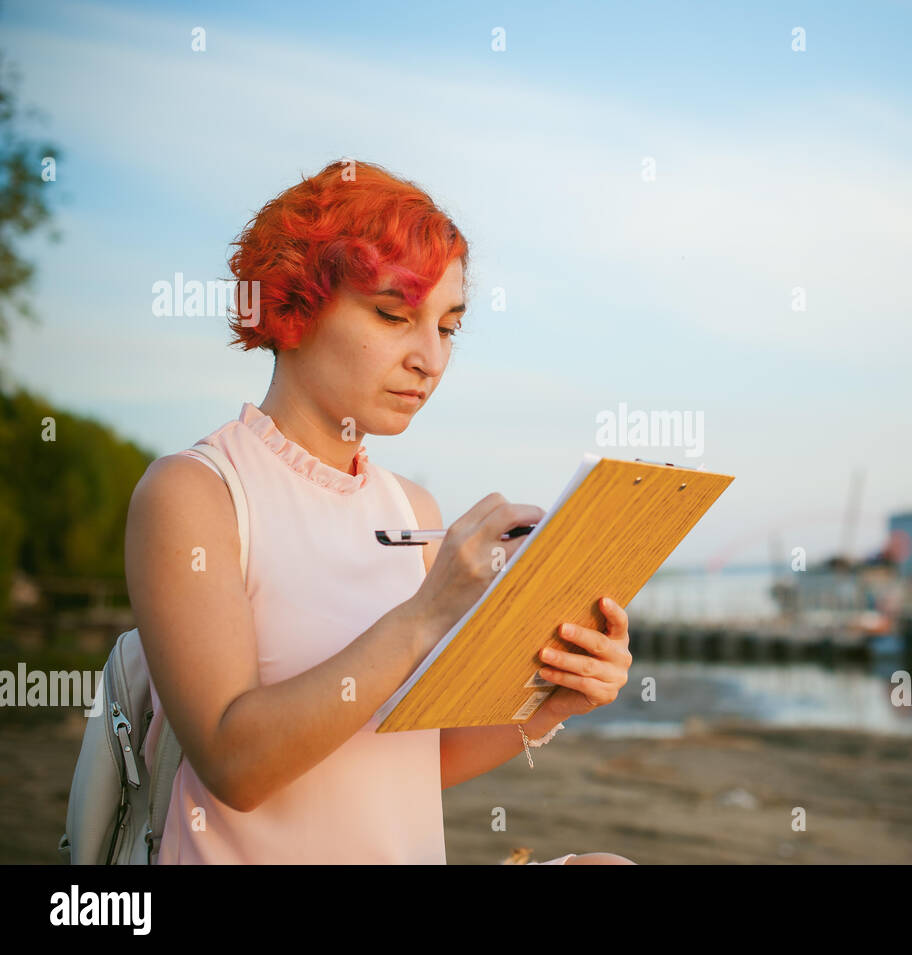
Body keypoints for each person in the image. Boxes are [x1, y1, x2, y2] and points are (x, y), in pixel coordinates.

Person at [124, 159, 635, 864]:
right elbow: (233, 764)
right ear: (295, 305)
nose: (429, 357)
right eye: (395, 315)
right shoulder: (197, 492)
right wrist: (425, 613)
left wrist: (549, 706)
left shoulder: (409, 507)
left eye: (449, 327)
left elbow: (411, 757)